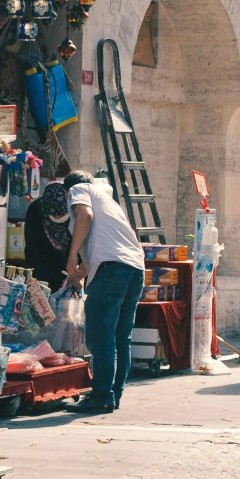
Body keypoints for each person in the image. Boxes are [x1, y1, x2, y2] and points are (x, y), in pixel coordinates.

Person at [65, 168, 147, 413]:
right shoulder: (109, 204)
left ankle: (101, 394)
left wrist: (71, 254)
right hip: (134, 268)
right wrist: (82, 268)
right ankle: (113, 394)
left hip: (112, 270)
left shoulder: (79, 189)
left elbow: (84, 217)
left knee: (102, 338)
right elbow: (107, 243)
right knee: (121, 337)